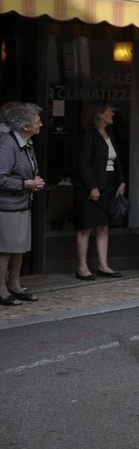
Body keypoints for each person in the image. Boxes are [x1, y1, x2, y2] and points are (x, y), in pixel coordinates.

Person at [73, 101, 125, 279]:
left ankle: (103, 265)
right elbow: (83, 164)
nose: (112, 113)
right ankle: (82, 267)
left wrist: (122, 181)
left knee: (103, 226)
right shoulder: (88, 135)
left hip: (109, 186)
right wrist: (92, 186)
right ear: (98, 114)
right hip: (91, 188)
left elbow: (116, 159)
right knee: (85, 227)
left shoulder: (109, 132)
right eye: (109, 111)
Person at [0, 103, 46, 306]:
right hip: (7, 205)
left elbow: (28, 168)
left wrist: (35, 178)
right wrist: (25, 183)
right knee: (5, 249)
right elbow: (0, 177)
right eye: (37, 122)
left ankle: (15, 284)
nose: (41, 124)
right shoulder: (7, 144)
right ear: (25, 126)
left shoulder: (27, 143)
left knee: (18, 248)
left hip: (22, 202)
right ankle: (1, 290)